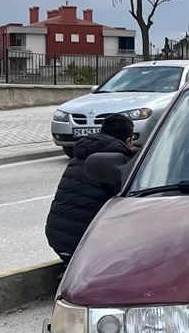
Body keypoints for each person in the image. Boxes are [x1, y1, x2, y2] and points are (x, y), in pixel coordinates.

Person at [45, 113, 136, 263]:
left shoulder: (80, 156)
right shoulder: (118, 162)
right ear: (128, 141)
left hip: (57, 237)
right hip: (84, 243)